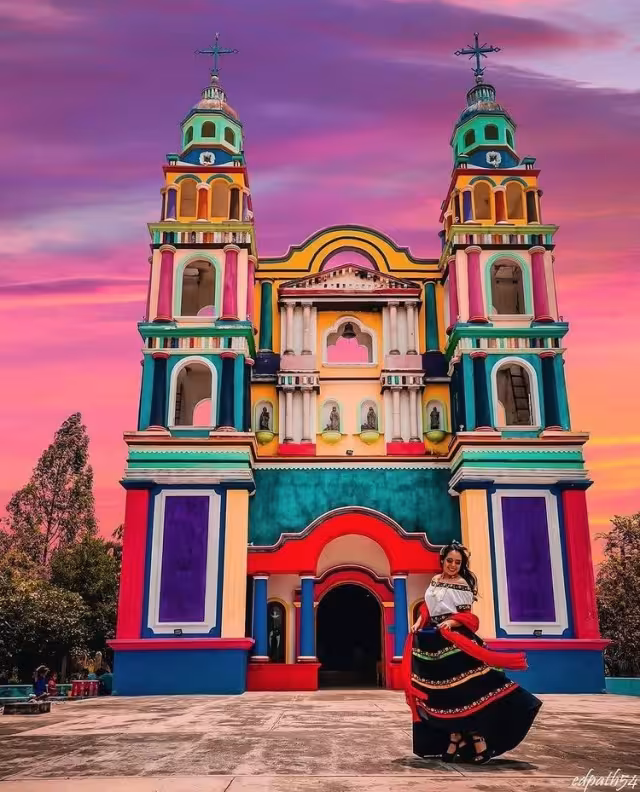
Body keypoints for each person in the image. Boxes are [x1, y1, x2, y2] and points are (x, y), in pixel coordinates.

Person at [403, 540, 541, 764]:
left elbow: (468, 617)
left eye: (458, 562)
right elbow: (428, 606)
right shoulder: (435, 580)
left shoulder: (462, 584)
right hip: (433, 641)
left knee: (467, 691)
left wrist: (452, 622)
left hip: (456, 641)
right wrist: (419, 620)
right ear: (442, 560)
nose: (453, 565)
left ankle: (475, 738)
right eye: (449, 561)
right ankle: (455, 736)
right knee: (442, 693)